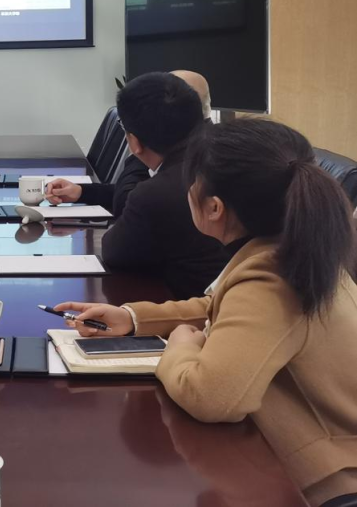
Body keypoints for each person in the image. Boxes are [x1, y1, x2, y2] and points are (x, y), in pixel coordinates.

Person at [54, 118, 357, 507]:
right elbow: (222, 309)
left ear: (214, 207)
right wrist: (132, 318)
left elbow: (211, 397)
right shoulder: (294, 249)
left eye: (192, 181)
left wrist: (179, 347)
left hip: (328, 482)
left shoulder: (270, 279)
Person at [82, 72, 227, 298]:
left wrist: (137, 156)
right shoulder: (227, 156)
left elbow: (114, 251)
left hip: (195, 310)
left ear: (134, 142)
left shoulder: (157, 193)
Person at [47, 70, 213, 217]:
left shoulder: (197, 160)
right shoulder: (198, 144)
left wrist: (141, 146)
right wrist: (82, 192)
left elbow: (129, 202)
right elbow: (132, 192)